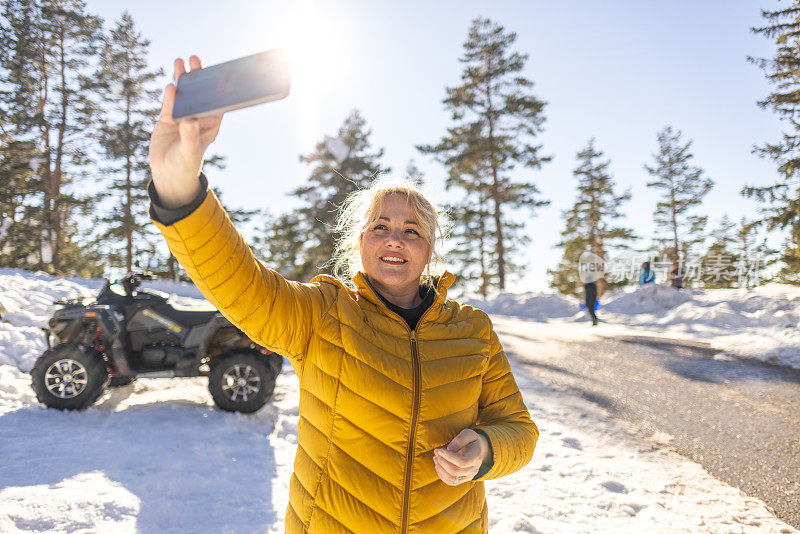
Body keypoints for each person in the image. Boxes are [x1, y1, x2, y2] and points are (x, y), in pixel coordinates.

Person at [148, 56, 538, 533]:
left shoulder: (472, 331)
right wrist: (178, 188)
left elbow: (519, 429)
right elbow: (240, 283)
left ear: (430, 252)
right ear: (360, 244)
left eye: (412, 231)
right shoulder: (324, 315)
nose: (395, 238)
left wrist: (485, 448)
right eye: (381, 226)